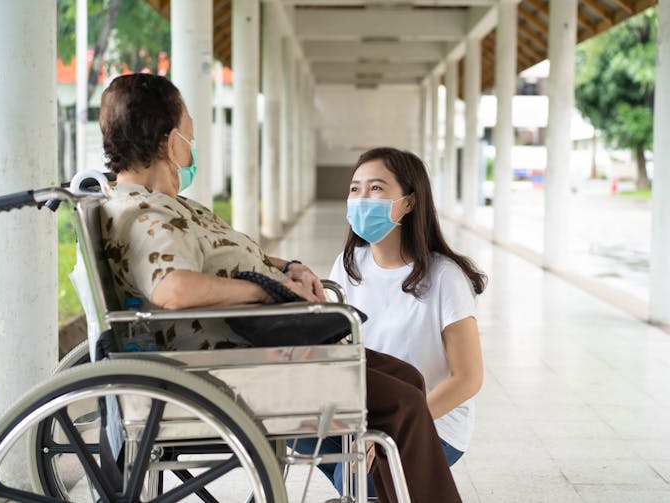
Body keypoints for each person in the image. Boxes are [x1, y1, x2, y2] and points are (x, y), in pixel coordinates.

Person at [97, 73, 463, 503]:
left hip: (252, 348)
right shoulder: (143, 214)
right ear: (167, 141)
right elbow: (173, 289)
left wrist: (284, 268)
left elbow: (218, 256)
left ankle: (387, 494)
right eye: (189, 137)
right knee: (401, 401)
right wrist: (263, 292)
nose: (191, 150)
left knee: (407, 378)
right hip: (234, 366)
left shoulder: (165, 206)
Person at [295, 147, 486, 498]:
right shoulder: (351, 264)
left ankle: (363, 486)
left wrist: (398, 430)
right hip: (368, 410)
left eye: (376, 188)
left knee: (356, 478)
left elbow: (468, 378)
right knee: (291, 430)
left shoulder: (445, 277)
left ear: (410, 203)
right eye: (355, 189)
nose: (362, 198)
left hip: (432, 422)